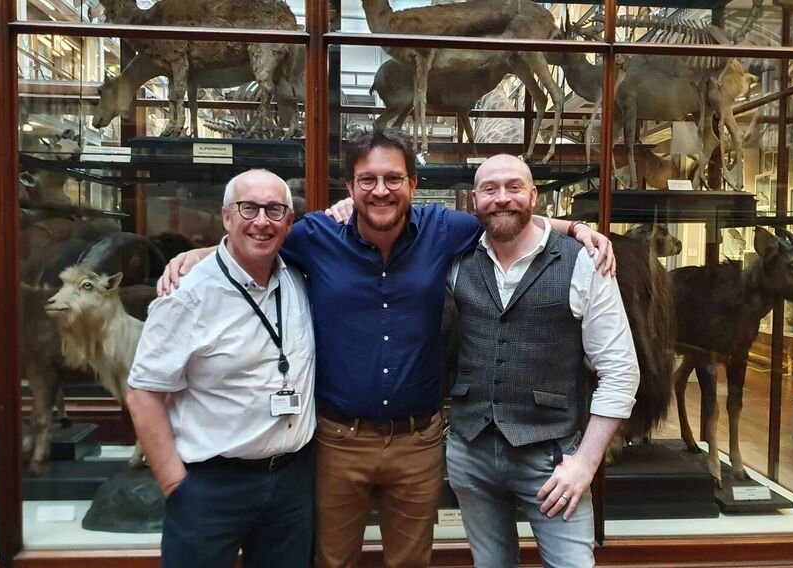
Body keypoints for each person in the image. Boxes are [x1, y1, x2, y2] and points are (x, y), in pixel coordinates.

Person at [159, 128, 615, 567]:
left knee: (410, 561)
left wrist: (573, 228)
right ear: (350, 187)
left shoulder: (443, 229)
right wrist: (199, 255)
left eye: (393, 178)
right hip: (338, 441)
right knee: (332, 560)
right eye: (368, 180)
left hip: (417, 444)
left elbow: (505, 217)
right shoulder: (317, 236)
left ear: (413, 184)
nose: (381, 190)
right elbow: (255, 240)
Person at [444, 154, 640, 567]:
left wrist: (585, 464)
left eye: (514, 187)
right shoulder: (456, 259)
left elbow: (621, 372)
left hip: (551, 462)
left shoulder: (584, 261)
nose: (502, 198)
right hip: (471, 452)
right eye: (489, 189)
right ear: (473, 200)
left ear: (534, 195)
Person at [125, 169, 316, 568]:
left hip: (292, 483)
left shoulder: (298, 277)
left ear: (289, 222)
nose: (262, 221)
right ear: (226, 217)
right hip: (212, 486)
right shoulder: (187, 294)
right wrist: (175, 485)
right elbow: (143, 393)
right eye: (249, 208)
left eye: (274, 210)